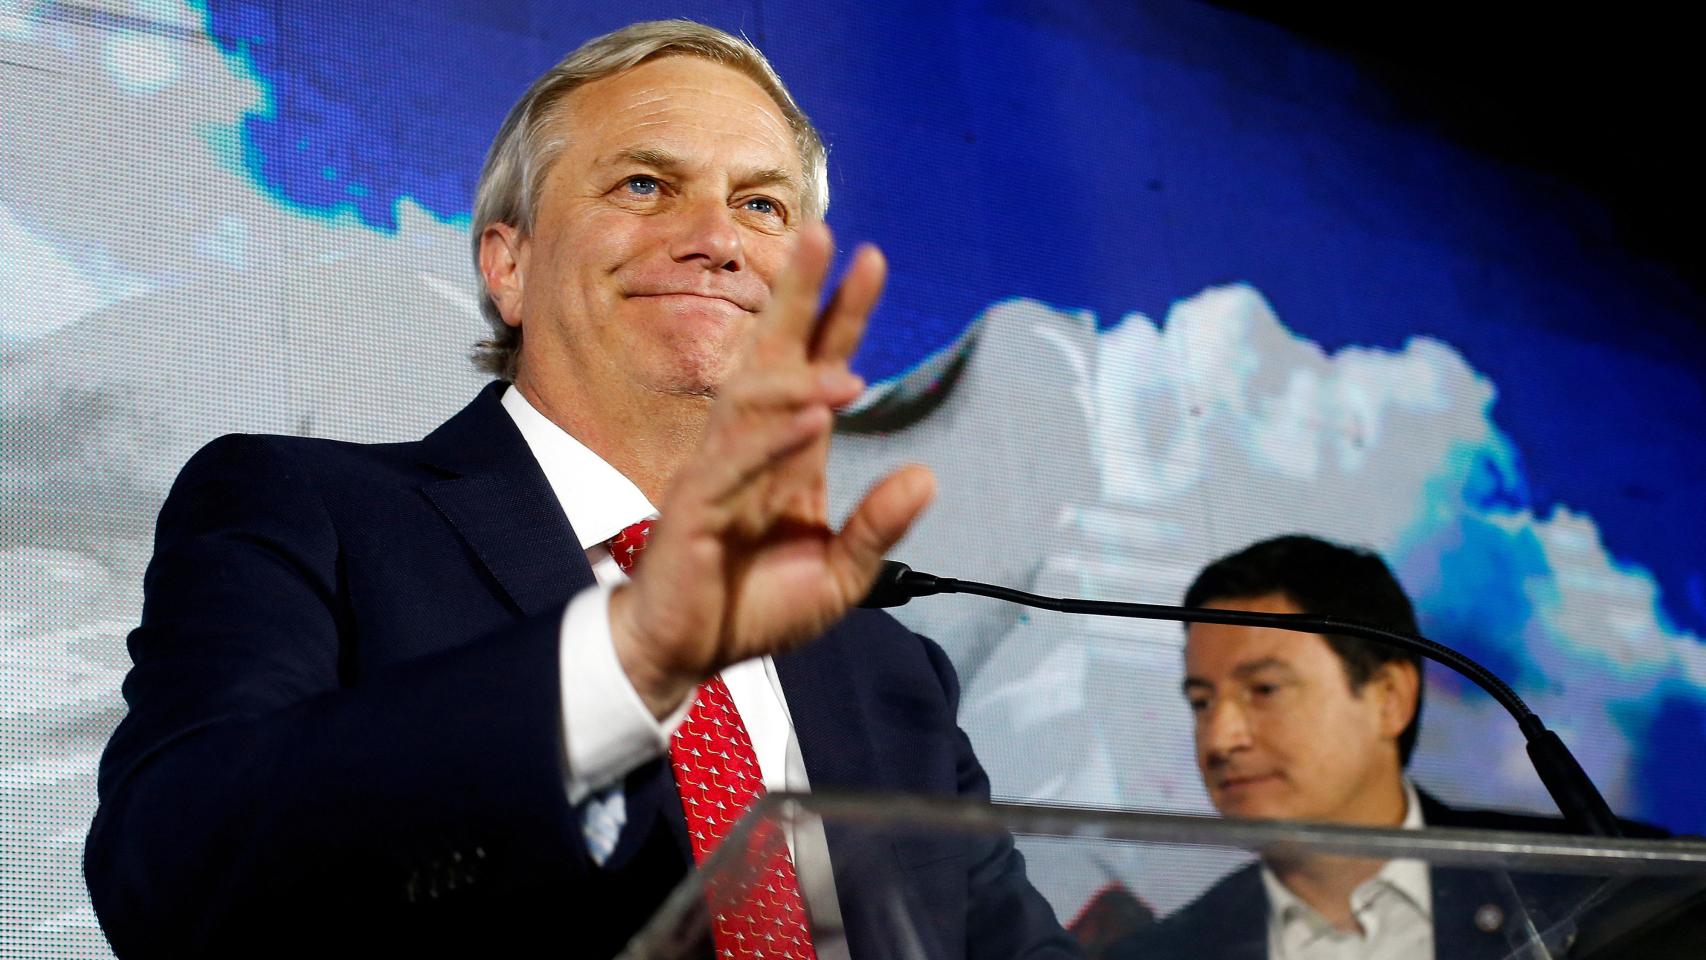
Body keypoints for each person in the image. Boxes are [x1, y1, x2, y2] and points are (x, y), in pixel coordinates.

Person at [84, 21, 1076, 960]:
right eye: (645, 185)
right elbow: (174, 873)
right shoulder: (308, 512)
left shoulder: (888, 669)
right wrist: (631, 655)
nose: (715, 239)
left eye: (761, 204)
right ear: (507, 266)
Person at [1113, 534, 1664, 960]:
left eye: (1264, 690)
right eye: (1202, 702)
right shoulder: (1160, 954)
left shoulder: (1615, 890)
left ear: (1389, 697)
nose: (1220, 738)